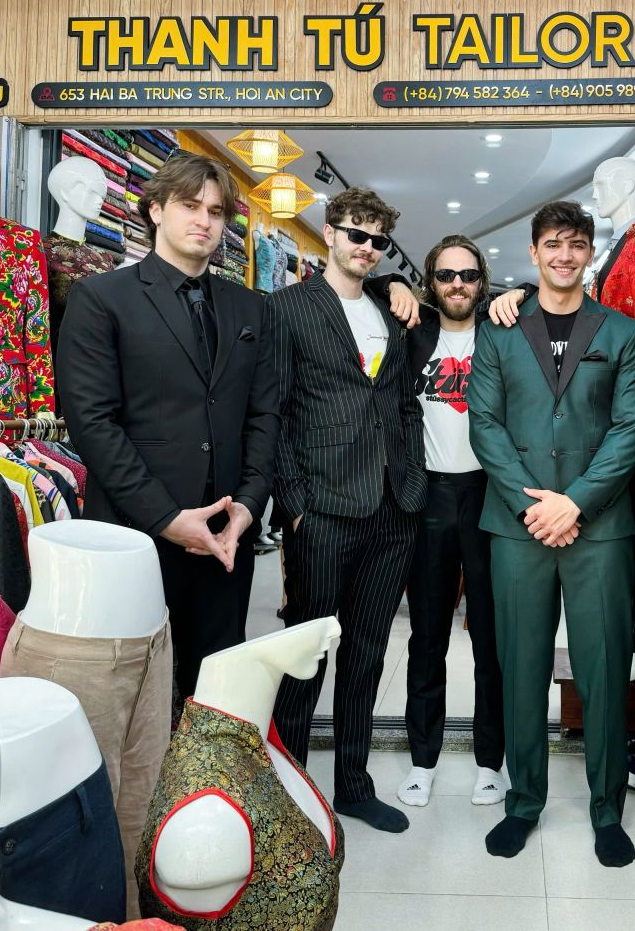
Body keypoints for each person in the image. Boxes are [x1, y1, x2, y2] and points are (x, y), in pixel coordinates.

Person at [466, 201, 635, 868]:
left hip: (599, 526)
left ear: (589, 253)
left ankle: (608, 810)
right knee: (521, 667)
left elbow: (629, 428)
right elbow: (485, 425)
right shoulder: (500, 331)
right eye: (552, 244)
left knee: (604, 669)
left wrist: (575, 504)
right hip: (518, 527)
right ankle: (523, 803)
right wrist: (533, 507)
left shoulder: (623, 333)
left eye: (576, 244)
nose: (564, 255)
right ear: (535, 253)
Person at [58, 152, 279, 698]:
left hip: (226, 537)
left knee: (216, 693)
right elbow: (92, 421)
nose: (204, 220)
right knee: (129, 692)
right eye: (189, 205)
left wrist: (249, 507)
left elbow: (263, 414)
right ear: (155, 209)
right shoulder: (102, 298)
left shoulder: (250, 308)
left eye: (216, 211)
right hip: (135, 534)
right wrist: (166, 517)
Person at [270, 186, 427, 834]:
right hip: (322, 509)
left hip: (393, 507)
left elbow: (404, 401)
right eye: (356, 234)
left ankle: (354, 786)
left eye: (378, 240)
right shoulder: (288, 308)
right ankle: (288, 792)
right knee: (306, 655)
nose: (366, 247)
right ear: (329, 232)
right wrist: (294, 506)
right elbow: (274, 412)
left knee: (367, 654)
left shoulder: (392, 312)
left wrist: (413, 479)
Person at [396, 235, 507, 809]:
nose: (457, 284)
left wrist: (520, 293)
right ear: (430, 283)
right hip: (430, 494)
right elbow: (363, 285)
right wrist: (389, 282)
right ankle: (422, 760)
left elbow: (544, 292)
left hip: (489, 495)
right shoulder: (413, 334)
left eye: (467, 275)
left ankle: (491, 763)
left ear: (482, 280)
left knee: (491, 637)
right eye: (445, 275)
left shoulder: (503, 330)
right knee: (427, 636)